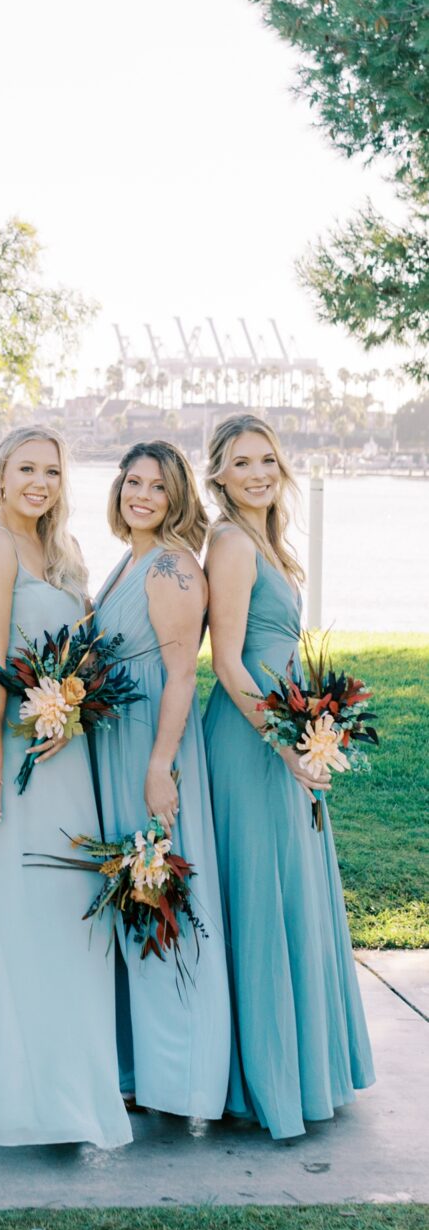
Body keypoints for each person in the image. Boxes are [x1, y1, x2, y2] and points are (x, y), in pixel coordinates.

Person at [0, 425, 131, 1150]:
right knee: (22, 924)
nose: (39, 483)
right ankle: (21, 1098)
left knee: (73, 924)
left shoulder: (66, 551)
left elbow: (81, 656)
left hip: (71, 762)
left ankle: (74, 1091)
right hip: (20, 771)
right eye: (26, 469)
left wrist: (77, 708)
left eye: (51, 472)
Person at [202, 412, 373, 1140]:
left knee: (293, 886)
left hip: (287, 729)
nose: (258, 474)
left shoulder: (269, 541)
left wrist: (311, 729)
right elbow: (228, 660)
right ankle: (260, 1080)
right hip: (251, 740)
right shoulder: (231, 542)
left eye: (266, 460)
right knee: (260, 891)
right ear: (218, 476)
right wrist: (281, 744)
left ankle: (297, 1067)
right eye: (242, 463)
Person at [91, 440, 230, 1118]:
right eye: (133, 482)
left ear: (177, 499)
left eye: (157, 487)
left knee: (162, 900)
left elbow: (181, 673)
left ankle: (180, 1077)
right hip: (118, 746)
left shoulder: (173, 566)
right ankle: (135, 1067)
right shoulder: (131, 559)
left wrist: (157, 766)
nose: (141, 495)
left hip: (151, 747)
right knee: (132, 899)